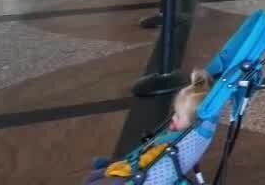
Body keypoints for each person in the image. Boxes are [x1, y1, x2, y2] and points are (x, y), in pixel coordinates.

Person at [83, 70, 212, 183]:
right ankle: (108, 168)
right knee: (97, 175)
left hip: (139, 176)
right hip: (152, 169)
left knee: (93, 179)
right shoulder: (193, 134)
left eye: (177, 115)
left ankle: (108, 168)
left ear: (192, 122)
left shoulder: (169, 145)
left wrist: (115, 168)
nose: (173, 118)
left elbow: (145, 161)